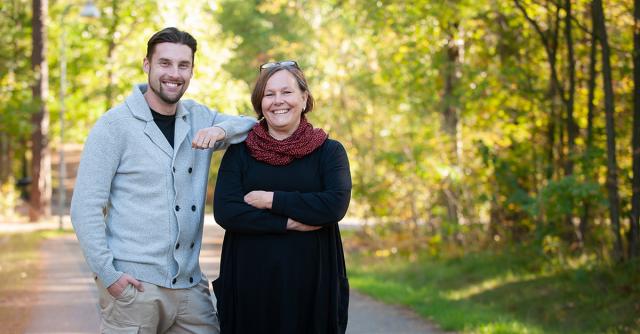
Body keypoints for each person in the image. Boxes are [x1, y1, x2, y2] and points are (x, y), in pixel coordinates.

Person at [70, 27, 255, 333]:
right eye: (165, 63)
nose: (174, 73)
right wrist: (109, 275)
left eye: (183, 65)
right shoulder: (113, 126)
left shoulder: (199, 117)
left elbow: (251, 126)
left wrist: (220, 131)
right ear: (147, 65)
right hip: (133, 289)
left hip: (190, 289)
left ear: (192, 71)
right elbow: (85, 208)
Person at [212, 60, 352, 334]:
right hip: (249, 286)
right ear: (259, 103)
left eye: (286, 92)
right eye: (269, 94)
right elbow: (227, 211)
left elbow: (333, 205)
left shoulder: (329, 152)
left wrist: (270, 200)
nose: (278, 101)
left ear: (304, 98)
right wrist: (290, 222)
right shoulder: (241, 152)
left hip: (313, 285)